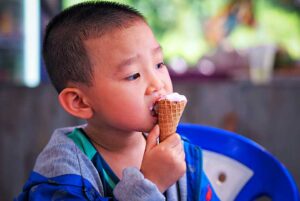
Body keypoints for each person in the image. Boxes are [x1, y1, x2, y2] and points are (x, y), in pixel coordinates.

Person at [16, 2, 219, 201]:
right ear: (80, 102)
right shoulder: (62, 167)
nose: (158, 83)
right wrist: (151, 183)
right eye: (133, 75)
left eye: (159, 64)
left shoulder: (184, 157)